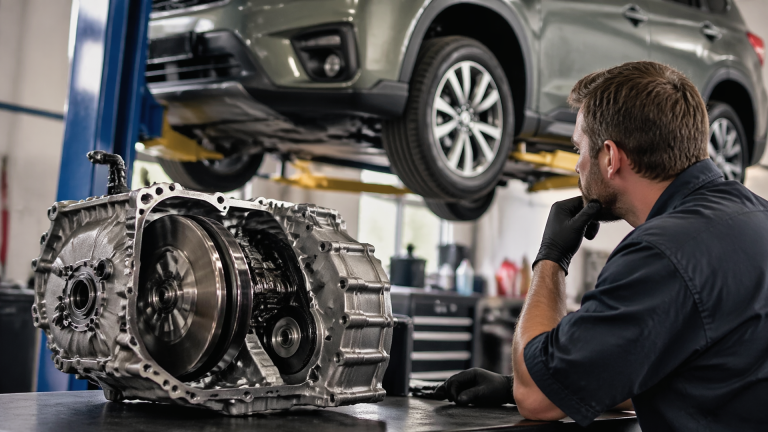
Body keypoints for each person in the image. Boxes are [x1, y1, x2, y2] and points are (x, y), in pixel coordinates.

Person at [434, 61, 768, 430]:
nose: (578, 166)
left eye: (579, 149)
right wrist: (536, 383)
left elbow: (537, 399)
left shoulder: (661, 253)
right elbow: (680, 367)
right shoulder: (757, 216)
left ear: (610, 157)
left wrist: (551, 258)